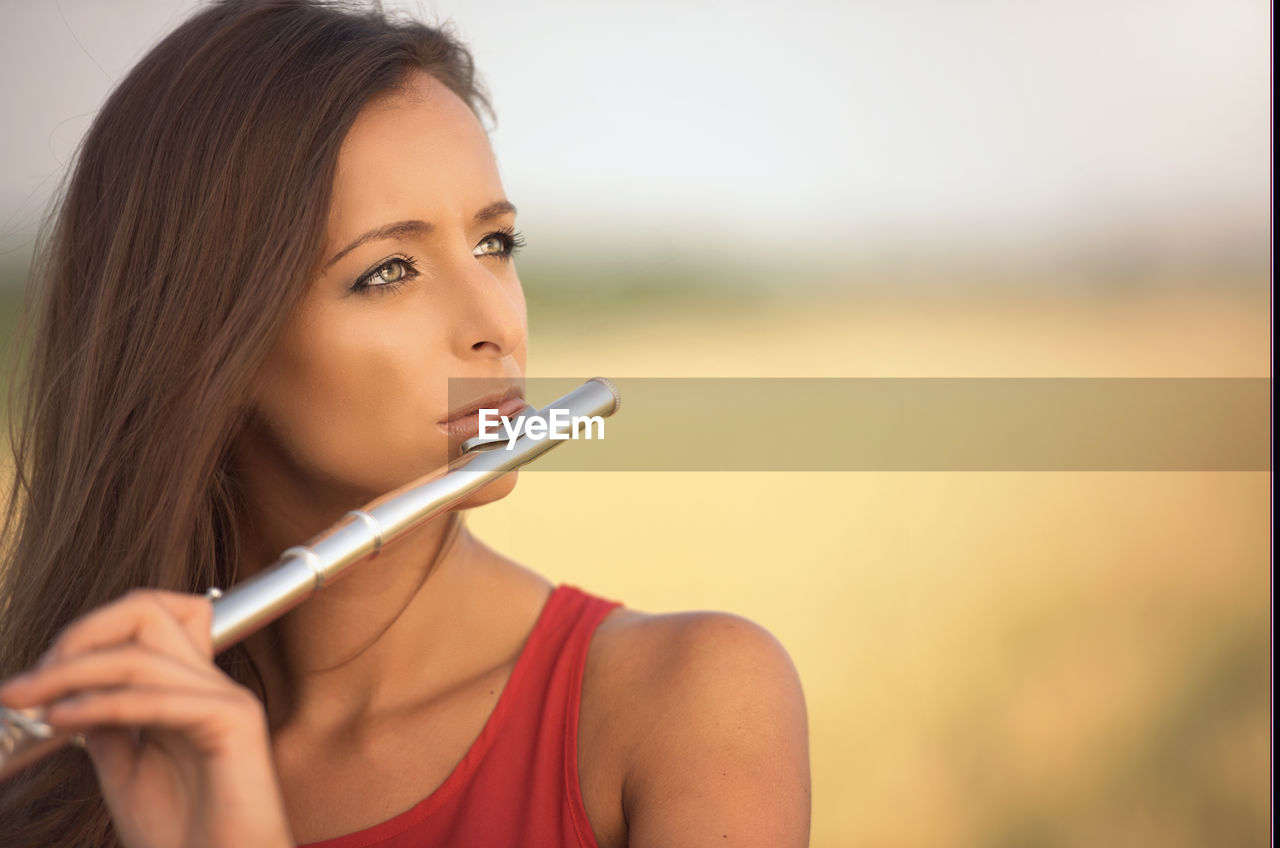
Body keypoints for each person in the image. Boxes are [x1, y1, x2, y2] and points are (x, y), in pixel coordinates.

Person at [0, 1, 810, 845]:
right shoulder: (81, 768)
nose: (493, 322)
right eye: (390, 269)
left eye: (496, 244)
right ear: (209, 347)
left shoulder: (687, 701)